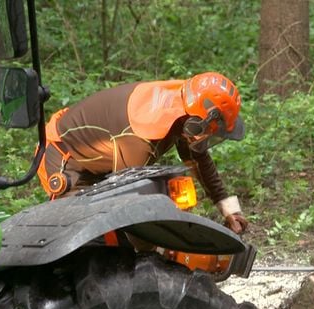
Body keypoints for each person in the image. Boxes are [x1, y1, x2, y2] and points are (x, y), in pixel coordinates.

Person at [37, 71, 249, 234]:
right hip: (65, 159)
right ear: (196, 124)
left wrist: (229, 209)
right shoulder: (141, 138)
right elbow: (130, 202)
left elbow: (199, 159)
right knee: (88, 236)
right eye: (210, 133)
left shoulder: (184, 112)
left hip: (103, 159)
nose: (208, 139)